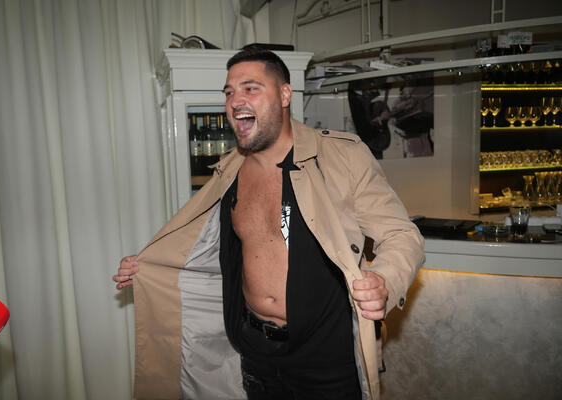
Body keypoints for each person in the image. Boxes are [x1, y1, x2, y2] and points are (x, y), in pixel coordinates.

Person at [113, 48, 425, 400]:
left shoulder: (341, 157)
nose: (235, 101)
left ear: (285, 94)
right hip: (255, 353)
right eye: (229, 92)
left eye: (250, 88)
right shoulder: (228, 171)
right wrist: (151, 264)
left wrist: (385, 280)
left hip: (326, 358)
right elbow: (205, 248)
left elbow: (401, 234)